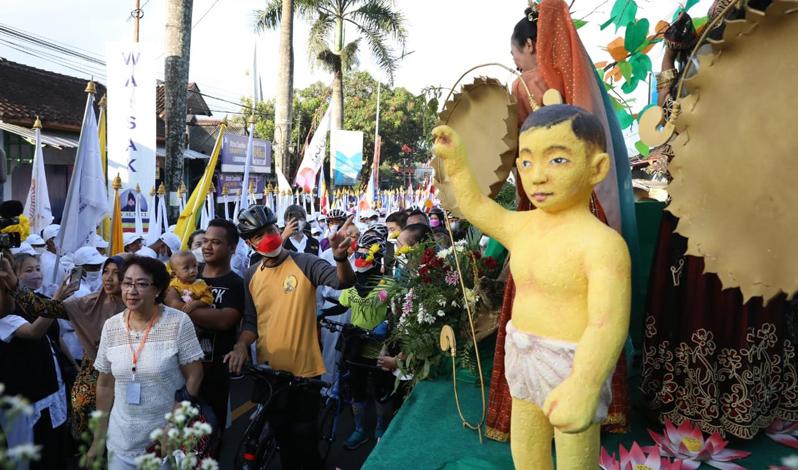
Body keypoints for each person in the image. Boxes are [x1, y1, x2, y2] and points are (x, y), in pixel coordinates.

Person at [433, 104, 631, 468]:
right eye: (526, 162)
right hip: (522, 354)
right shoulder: (522, 227)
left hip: (573, 364)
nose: (536, 176)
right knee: (526, 454)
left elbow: (607, 324)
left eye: (557, 160)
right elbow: (477, 206)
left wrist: (585, 384)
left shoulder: (602, 245)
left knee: (575, 459)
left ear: (597, 168)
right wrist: (458, 163)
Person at [640, 0, 795, 440]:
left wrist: (672, 59)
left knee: (710, 292)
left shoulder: (717, 55)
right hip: (755, 206)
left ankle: (695, 397)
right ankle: (752, 396)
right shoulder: (777, 54)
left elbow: (667, 123)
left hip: (710, 202)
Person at [486, 0, 640, 441]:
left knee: (531, 296)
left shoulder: (521, 86)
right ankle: (602, 406)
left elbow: (515, 155)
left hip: (540, 214)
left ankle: (526, 408)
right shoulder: (570, 81)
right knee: (595, 309)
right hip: (586, 209)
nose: (514, 59)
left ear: (529, 44)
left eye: (516, 50)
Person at [225, 205, 355, 469]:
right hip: (269, 374)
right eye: (258, 235)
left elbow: (343, 283)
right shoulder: (251, 275)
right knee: (282, 439)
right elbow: (251, 322)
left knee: (303, 444)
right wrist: (240, 346)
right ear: (250, 243)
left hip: (304, 375)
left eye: (271, 229)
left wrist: (341, 258)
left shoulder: (305, 262)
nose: (268, 237)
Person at [89, 256, 204, 468]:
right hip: (120, 442)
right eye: (127, 283)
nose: (131, 291)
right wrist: (98, 438)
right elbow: (105, 384)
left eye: (141, 284)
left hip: (163, 443)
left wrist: (174, 424)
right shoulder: (111, 327)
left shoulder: (177, 322)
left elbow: (195, 375)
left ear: (158, 290)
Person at [10, 256, 127, 440]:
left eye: (117, 273)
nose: (109, 278)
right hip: (93, 377)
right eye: (106, 272)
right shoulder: (88, 303)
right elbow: (42, 308)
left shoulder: (141, 308)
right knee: (87, 428)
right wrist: (13, 282)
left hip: (130, 382)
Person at [165, 218, 244, 457]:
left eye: (216, 242)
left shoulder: (236, 284)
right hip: (178, 369)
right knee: (174, 437)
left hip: (214, 372)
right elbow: (166, 298)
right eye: (205, 241)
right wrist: (178, 305)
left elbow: (224, 320)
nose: (207, 247)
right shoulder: (188, 275)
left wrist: (181, 308)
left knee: (209, 438)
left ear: (232, 247)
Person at [0, 254, 68, 470]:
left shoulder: (36, 300)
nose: (36, 274)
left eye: (38, 268)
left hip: (51, 387)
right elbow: (35, 331)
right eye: (28, 270)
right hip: (24, 399)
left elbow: (54, 338)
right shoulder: (4, 315)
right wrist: (57, 299)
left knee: (51, 449)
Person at [337, 231, 394, 449]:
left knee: (381, 391)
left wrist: (387, 328)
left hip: (380, 351)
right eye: (358, 254)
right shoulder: (352, 284)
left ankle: (380, 427)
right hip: (356, 349)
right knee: (356, 391)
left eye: (365, 255)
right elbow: (342, 304)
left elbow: (398, 314)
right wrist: (321, 313)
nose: (360, 259)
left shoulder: (389, 285)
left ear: (378, 258)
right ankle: (359, 429)